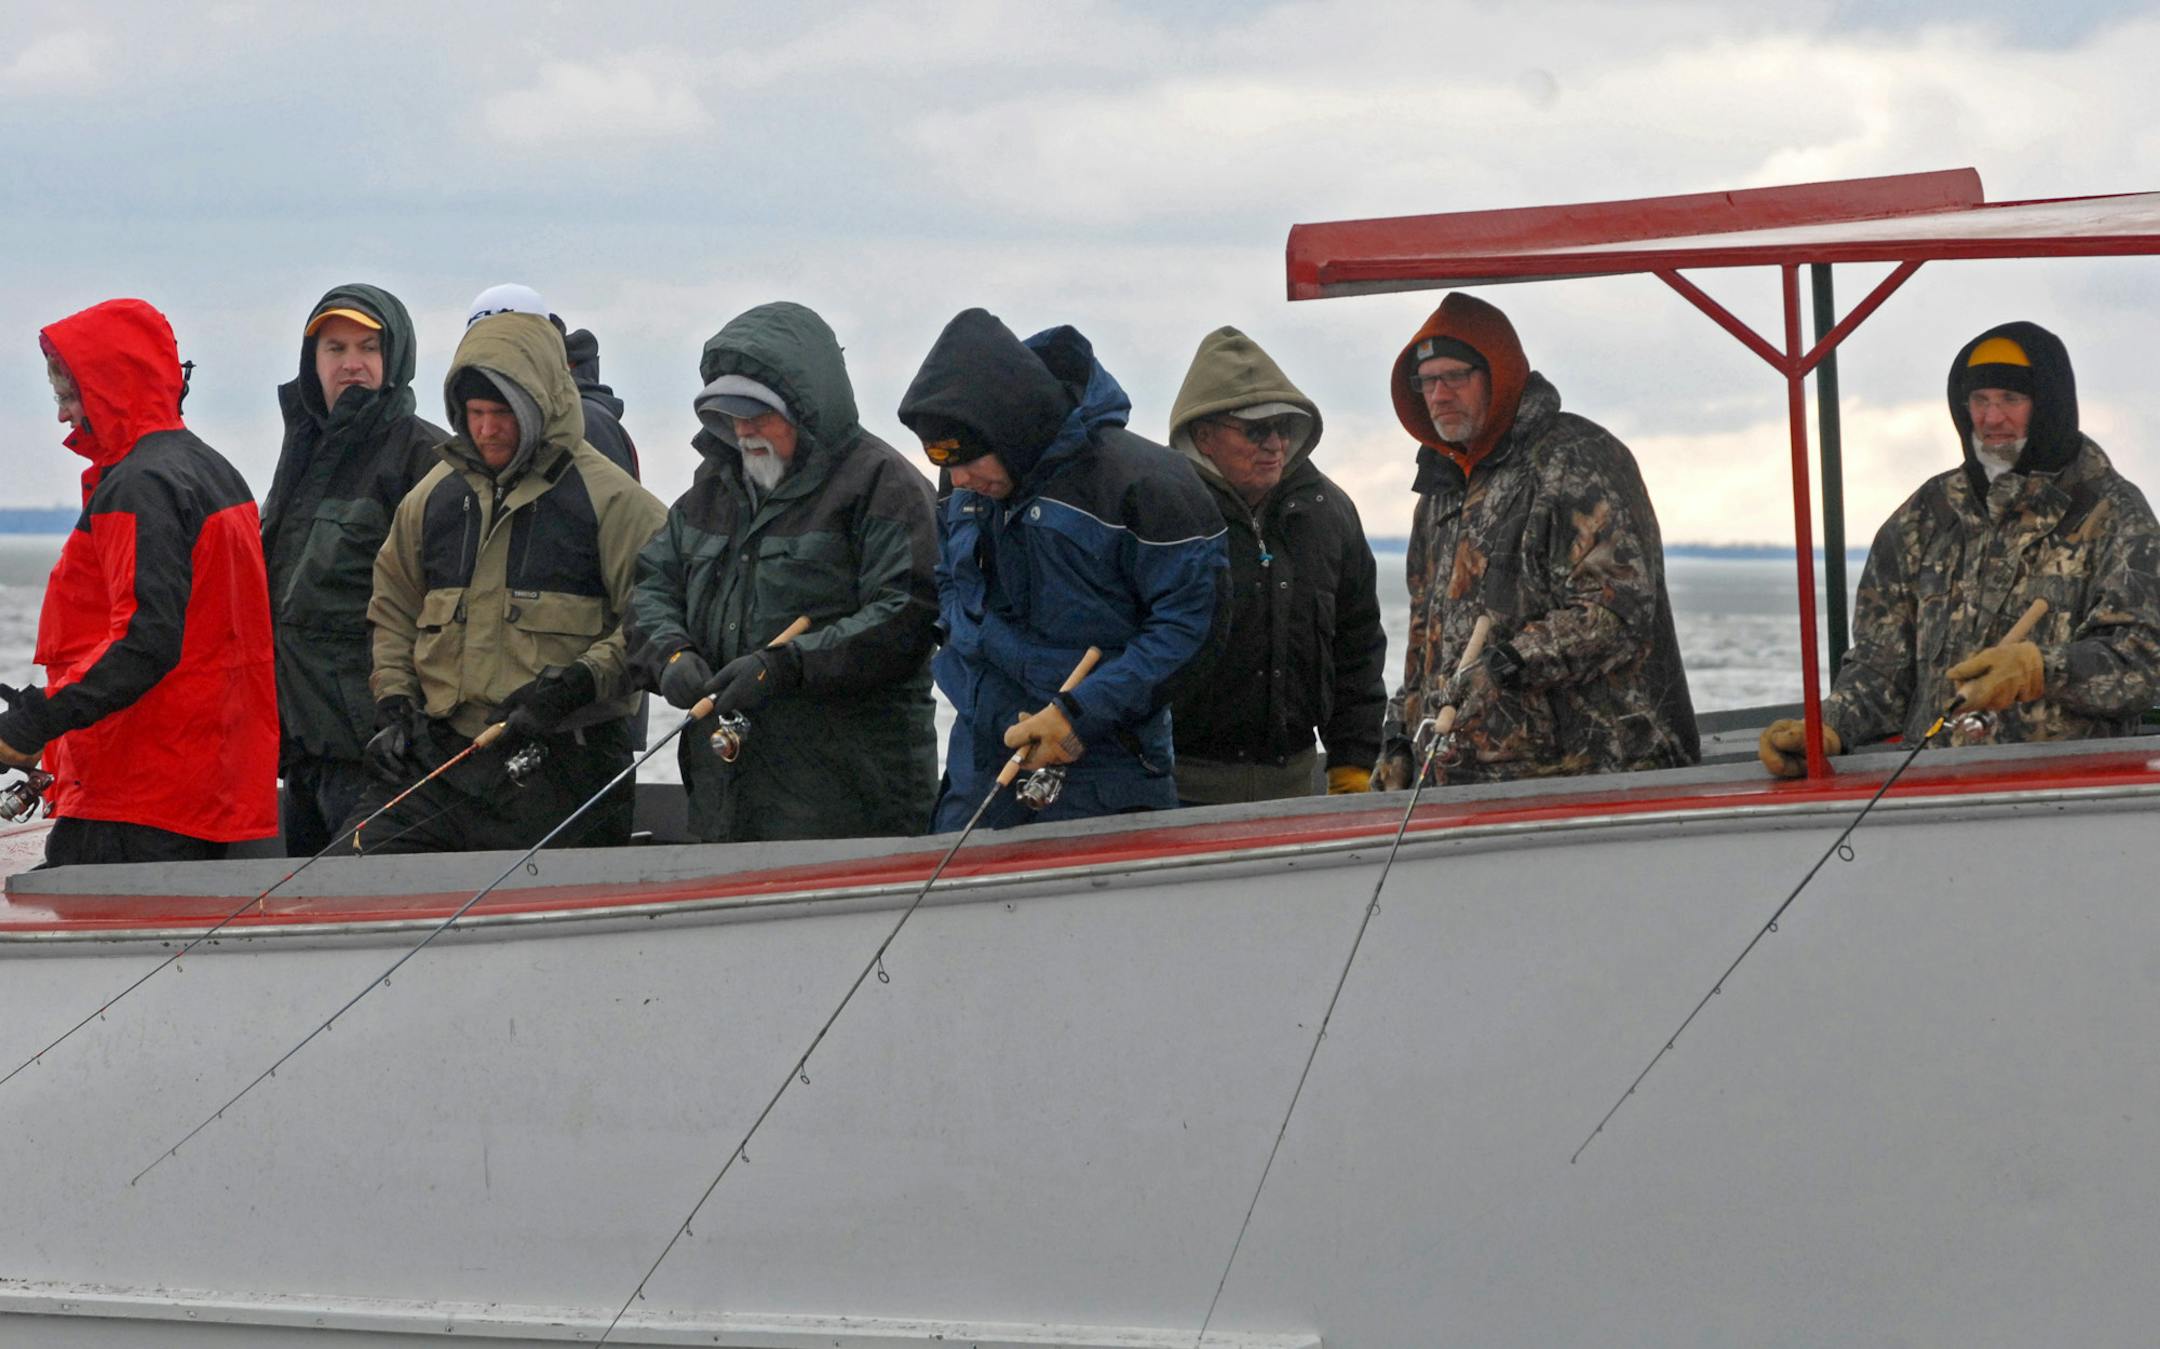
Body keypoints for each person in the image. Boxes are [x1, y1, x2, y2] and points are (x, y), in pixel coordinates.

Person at [1760, 321, 2160, 776]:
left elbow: (2142, 665)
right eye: (1980, 401)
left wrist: (2039, 669)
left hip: (2066, 794)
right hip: (1929, 790)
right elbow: (1880, 669)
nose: (1992, 419)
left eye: (2011, 400)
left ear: (2049, 404)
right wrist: (1830, 727)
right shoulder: (1925, 516)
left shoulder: (2114, 515)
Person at [341, 310, 666, 852]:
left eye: (501, 414)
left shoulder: (616, 503)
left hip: (566, 762)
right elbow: (394, 608)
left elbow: (654, 619)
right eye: (474, 413)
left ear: (537, 407)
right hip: (443, 761)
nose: (486, 429)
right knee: (363, 866)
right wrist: (394, 704)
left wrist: (577, 684)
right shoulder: (432, 499)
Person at [897, 308, 1228, 829]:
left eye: (969, 459)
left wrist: (1081, 713)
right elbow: (952, 586)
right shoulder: (965, 488)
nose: (959, 478)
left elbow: (1190, 626)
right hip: (982, 762)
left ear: (1011, 432)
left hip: (1108, 764)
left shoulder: (1148, 484)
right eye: (945, 462)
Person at [627, 302, 940, 842]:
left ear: (804, 409)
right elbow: (651, 587)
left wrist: (788, 666)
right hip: (725, 796)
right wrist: (670, 656)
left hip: (848, 801)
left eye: (761, 416)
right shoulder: (707, 495)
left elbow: (907, 616)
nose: (745, 431)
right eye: (733, 416)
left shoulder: (883, 488)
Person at [1376, 292, 1696, 787]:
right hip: (1470, 779)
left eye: (1456, 377)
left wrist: (1507, 663)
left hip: (1590, 774)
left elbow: (1617, 613)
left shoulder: (1578, 460)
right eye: (1427, 381)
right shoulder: (1440, 490)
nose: (1439, 395)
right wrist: (1400, 737)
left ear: (1499, 375)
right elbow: (1427, 638)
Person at [0, 299, 276, 867]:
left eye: (68, 396)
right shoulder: (212, 470)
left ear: (107, 386)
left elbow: (144, 641)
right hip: (207, 784)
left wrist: (30, 723)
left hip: (136, 795)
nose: (62, 415)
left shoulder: (140, 485)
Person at [260, 285, 446, 855]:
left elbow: (444, 609)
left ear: (395, 358)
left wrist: (410, 721)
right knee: (299, 918)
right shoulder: (303, 452)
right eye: (334, 349)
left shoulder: (426, 457)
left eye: (368, 346)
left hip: (377, 752)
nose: (351, 364)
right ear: (312, 362)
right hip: (302, 751)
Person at [1164, 325, 1387, 803]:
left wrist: (1351, 765)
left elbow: (1358, 644)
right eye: (1254, 429)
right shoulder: (1160, 512)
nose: (1274, 444)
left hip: (1296, 786)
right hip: (1174, 789)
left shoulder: (1329, 510)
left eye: (1283, 427)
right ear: (1203, 435)